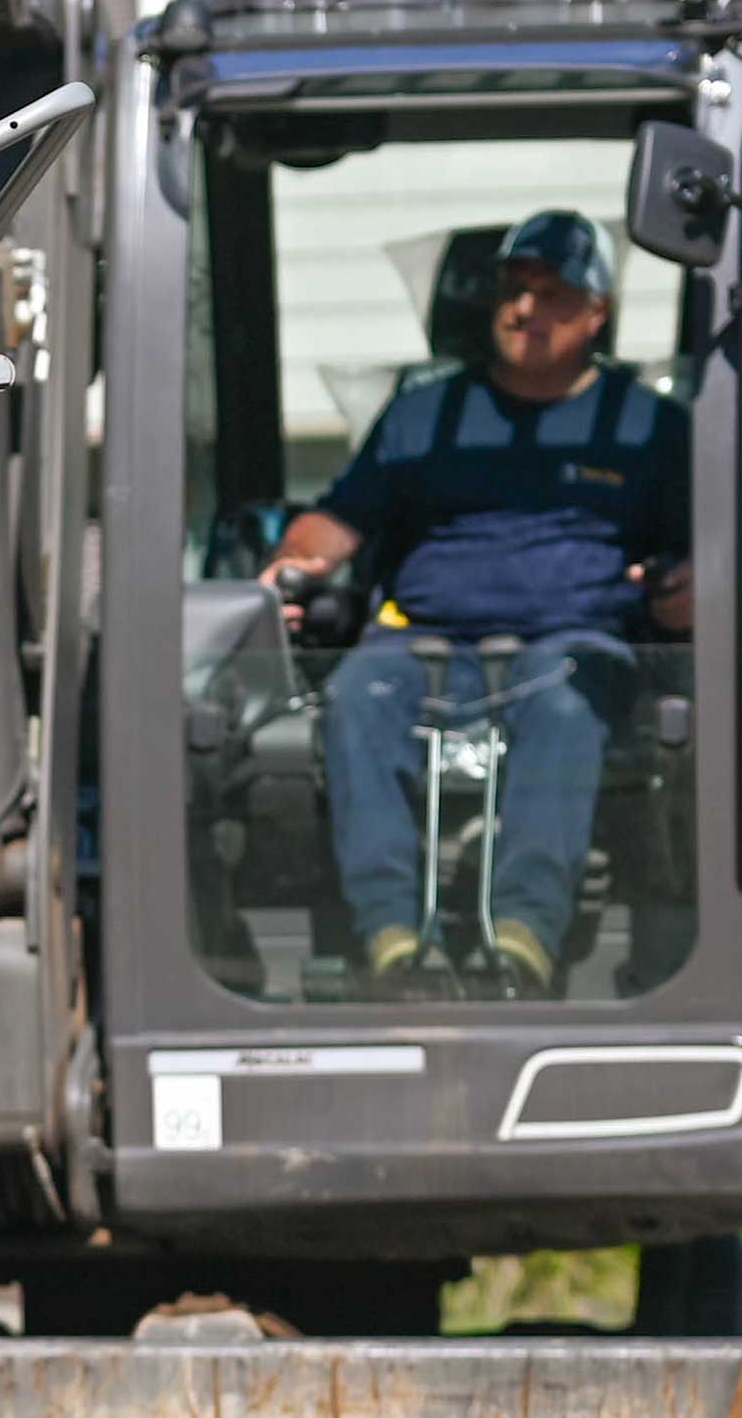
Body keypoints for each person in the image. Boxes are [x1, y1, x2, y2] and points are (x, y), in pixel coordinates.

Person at [258, 209, 692, 995]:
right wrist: (294, 559)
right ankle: (391, 939)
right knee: (358, 693)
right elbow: (341, 520)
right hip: (425, 643)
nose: (524, 309)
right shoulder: (425, 413)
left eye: (552, 293)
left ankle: (524, 940)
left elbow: (697, 559)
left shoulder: (650, 427)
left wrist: (686, 592)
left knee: (568, 705)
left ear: (597, 312)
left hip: (576, 645)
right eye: (514, 290)